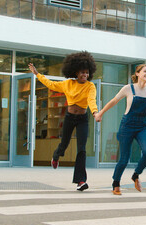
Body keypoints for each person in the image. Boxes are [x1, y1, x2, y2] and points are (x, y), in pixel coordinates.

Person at [28, 51, 98, 192]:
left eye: (87, 73)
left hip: (83, 119)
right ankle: (56, 156)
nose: (85, 75)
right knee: (64, 143)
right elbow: (51, 85)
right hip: (70, 117)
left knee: (82, 149)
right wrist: (37, 74)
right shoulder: (68, 84)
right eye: (82, 73)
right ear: (76, 73)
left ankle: (81, 180)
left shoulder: (90, 86)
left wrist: (95, 112)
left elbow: (91, 100)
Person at [95, 64, 146, 195]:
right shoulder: (128, 89)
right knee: (124, 158)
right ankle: (116, 182)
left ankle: (136, 175)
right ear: (137, 74)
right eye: (145, 71)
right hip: (127, 125)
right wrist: (100, 113)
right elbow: (114, 101)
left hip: (142, 125)